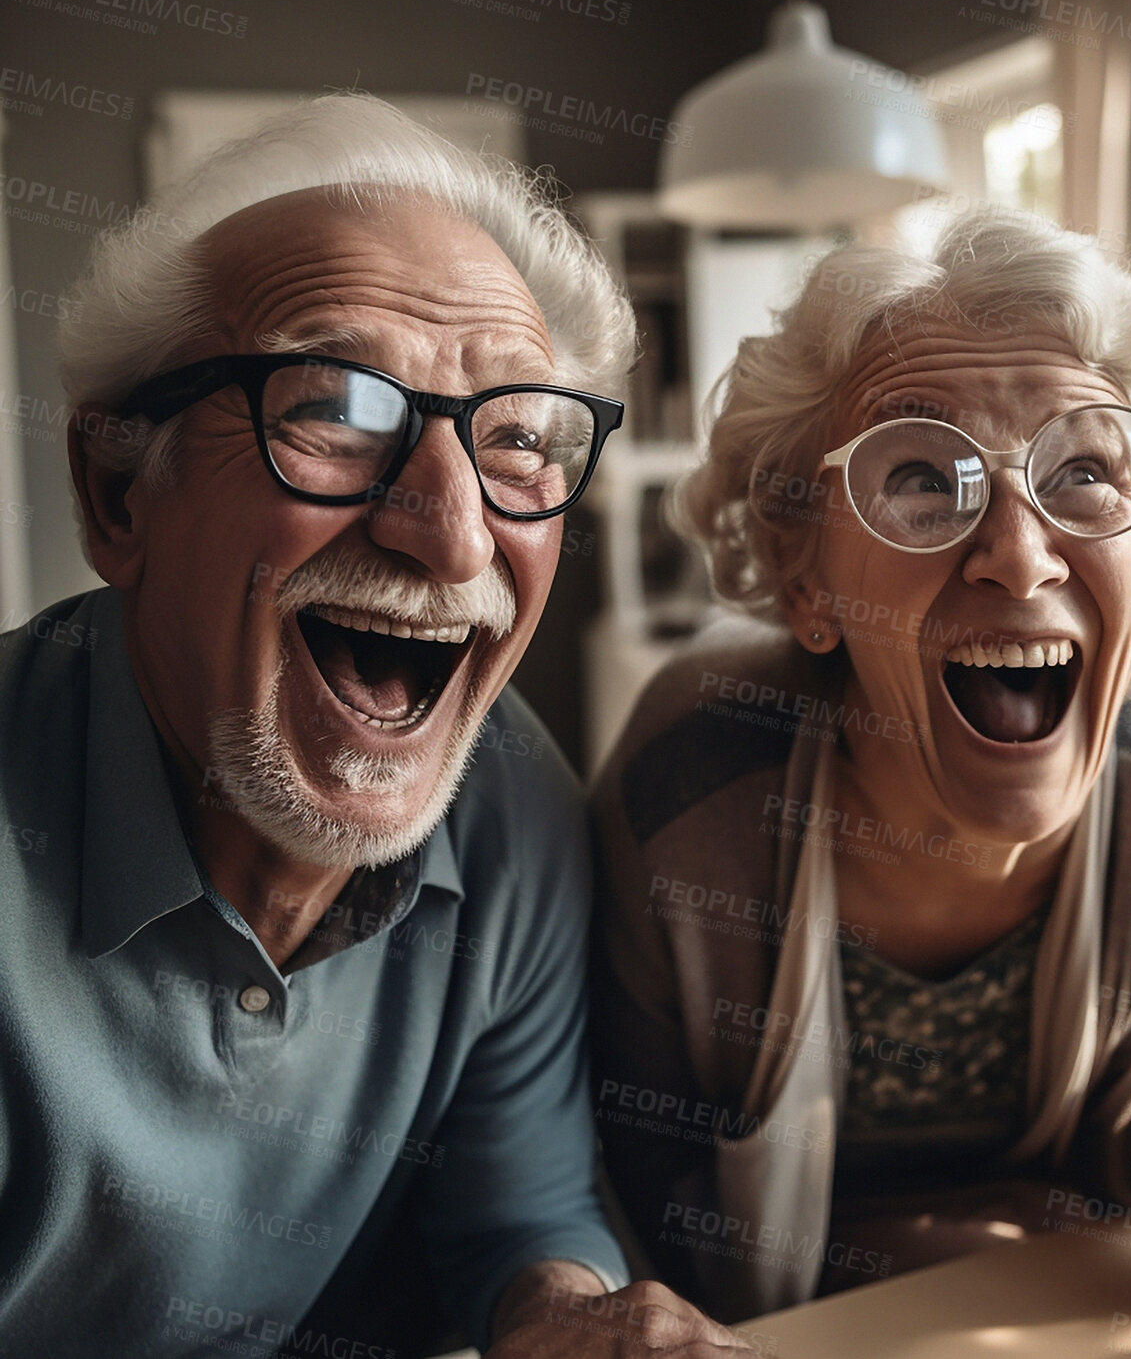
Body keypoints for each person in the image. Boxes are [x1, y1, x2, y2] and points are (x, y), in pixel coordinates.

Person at [0, 94, 758, 1358]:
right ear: (117, 491)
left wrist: (567, 1319)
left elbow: (514, 1214)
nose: (454, 530)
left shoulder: (512, 795)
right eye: (337, 409)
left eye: (516, 437)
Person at [591, 209, 1131, 1322]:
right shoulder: (698, 771)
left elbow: (1127, 1100)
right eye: (922, 477)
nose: (1019, 555)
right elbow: (627, 1179)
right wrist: (900, 1253)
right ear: (804, 579)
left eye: (1083, 467)